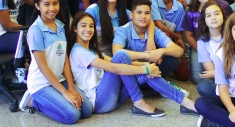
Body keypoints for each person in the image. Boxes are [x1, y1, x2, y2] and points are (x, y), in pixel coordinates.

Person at [68, 12, 198, 116]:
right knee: (121, 55)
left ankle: (186, 103)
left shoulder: (90, 49)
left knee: (142, 71)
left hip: (111, 93)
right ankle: (139, 102)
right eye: (83, 26)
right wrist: (146, 70)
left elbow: (112, 62)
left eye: (91, 26)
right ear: (75, 29)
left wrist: (146, 66)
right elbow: (113, 67)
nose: (88, 29)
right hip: (100, 101)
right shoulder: (79, 52)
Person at [19, 0, 92, 124]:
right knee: (72, 116)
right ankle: (35, 102)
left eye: (55, 3)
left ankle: (55, 96)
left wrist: (71, 87)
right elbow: (43, 67)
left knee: (86, 111)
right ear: (37, 6)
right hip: (41, 84)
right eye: (46, 4)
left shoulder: (60, 26)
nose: (52, 8)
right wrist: (65, 93)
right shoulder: (35, 30)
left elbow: (64, 60)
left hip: (59, 79)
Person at [112, 0, 185, 79]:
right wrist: (148, 55)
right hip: (132, 70)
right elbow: (116, 53)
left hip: (150, 68)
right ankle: (152, 86)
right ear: (131, 15)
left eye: (147, 13)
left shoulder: (154, 30)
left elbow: (179, 51)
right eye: (139, 12)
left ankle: (151, 84)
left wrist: (161, 51)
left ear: (150, 16)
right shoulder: (123, 30)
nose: (143, 16)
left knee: (173, 59)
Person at [182, 0, 233, 84]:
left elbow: (232, 28)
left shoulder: (224, 6)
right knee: (198, 78)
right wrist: (204, 52)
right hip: (199, 45)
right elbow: (189, 36)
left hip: (223, 43)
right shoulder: (190, 12)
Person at [148, 0, 189, 81]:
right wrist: (177, 37)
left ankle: (165, 66)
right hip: (153, 41)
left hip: (169, 42)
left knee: (184, 75)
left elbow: (178, 30)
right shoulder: (152, 0)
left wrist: (179, 42)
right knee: (165, 33)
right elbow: (159, 25)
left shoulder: (179, 7)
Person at [195, 1, 226, 97]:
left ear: (223, 16)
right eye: (208, 15)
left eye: (217, 13)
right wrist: (215, 73)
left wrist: (215, 73)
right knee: (203, 86)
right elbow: (210, 70)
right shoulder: (201, 42)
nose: (213, 18)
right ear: (204, 20)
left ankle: (224, 98)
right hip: (219, 80)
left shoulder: (233, 34)